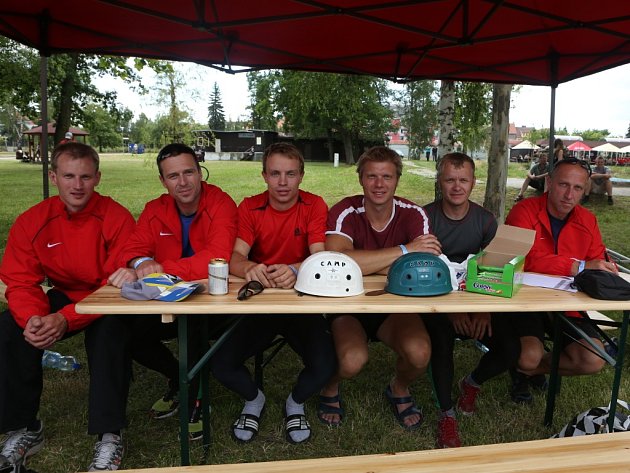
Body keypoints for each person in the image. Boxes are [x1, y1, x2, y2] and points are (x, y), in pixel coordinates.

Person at [0, 142, 135, 471]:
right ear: (54, 176)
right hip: (65, 294)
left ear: (98, 177)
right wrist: (34, 318)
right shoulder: (33, 220)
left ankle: (109, 436)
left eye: (86, 177)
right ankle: (24, 428)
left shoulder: (116, 217)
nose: (77, 185)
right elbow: (20, 280)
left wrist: (65, 319)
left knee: (109, 332)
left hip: (106, 297)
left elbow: (117, 284)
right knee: (9, 327)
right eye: (69, 176)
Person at [107, 143, 237, 439]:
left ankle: (196, 402)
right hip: (166, 301)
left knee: (192, 329)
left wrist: (160, 267)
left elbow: (217, 258)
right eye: (174, 176)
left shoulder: (221, 203)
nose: (183, 182)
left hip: (213, 299)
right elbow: (132, 249)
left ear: (200, 173)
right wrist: (139, 263)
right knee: (129, 335)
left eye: (189, 172)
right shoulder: (155, 208)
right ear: (163, 181)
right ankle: (180, 381)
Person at [210, 143, 336, 445]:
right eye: (276, 174)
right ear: (264, 175)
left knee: (327, 366)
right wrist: (251, 268)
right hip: (261, 302)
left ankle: (295, 403)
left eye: (290, 174)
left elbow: (319, 257)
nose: (283, 182)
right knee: (220, 364)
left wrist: (294, 269)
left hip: (300, 303)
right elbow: (235, 258)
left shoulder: (314, 205)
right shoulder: (250, 206)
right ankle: (254, 400)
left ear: (301, 176)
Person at [319, 146, 440, 430]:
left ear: (397, 179)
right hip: (349, 304)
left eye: (386, 176)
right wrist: (404, 251)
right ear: (361, 178)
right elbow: (336, 263)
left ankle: (398, 387)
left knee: (420, 353)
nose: (379, 184)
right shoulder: (345, 210)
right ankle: (330, 386)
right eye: (371, 176)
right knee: (351, 361)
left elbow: (425, 266)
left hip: (396, 305)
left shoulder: (413, 213)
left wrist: (363, 262)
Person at [505, 158, 616, 399]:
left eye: (577, 188)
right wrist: (579, 266)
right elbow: (520, 258)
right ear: (549, 182)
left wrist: (603, 267)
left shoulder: (588, 220)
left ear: (585, 189)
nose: (569, 195)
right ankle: (526, 364)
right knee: (528, 355)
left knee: (593, 360)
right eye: (564, 185)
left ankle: (529, 371)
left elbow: (598, 261)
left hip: (568, 304)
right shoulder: (522, 210)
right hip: (524, 301)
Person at [422, 152, 498, 448]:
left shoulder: (485, 220)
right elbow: (423, 270)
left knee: (511, 345)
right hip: (435, 301)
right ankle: (446, 413)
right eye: (450, 179)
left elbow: (494, 271)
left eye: (463, 180)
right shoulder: (424, 217)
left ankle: (473, 382)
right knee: (441, 344)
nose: (457, 186)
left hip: (476, 300)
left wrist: (483, 311)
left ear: (472, 182)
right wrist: (451, 311)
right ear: (440, 181)